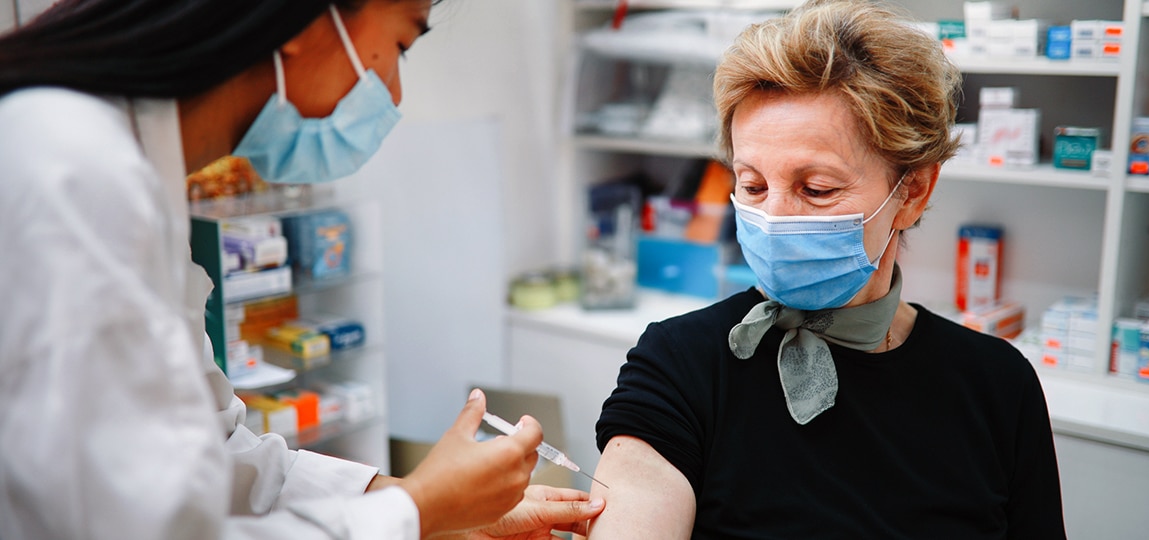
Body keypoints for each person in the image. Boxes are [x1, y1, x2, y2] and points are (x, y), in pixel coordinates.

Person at [0, 0, 603, 538]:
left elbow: (224, 460)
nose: (392, 94)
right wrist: (418, 510)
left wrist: (442, 512)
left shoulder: (133, 178)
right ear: (307, 19)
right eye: (400, 46)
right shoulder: (72, 173)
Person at [586, 0, 1067, 538]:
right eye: (752, 185)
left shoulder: (997, 384)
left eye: (816, 189)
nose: (772, 219)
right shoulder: (681, 364)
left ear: (911, 192)